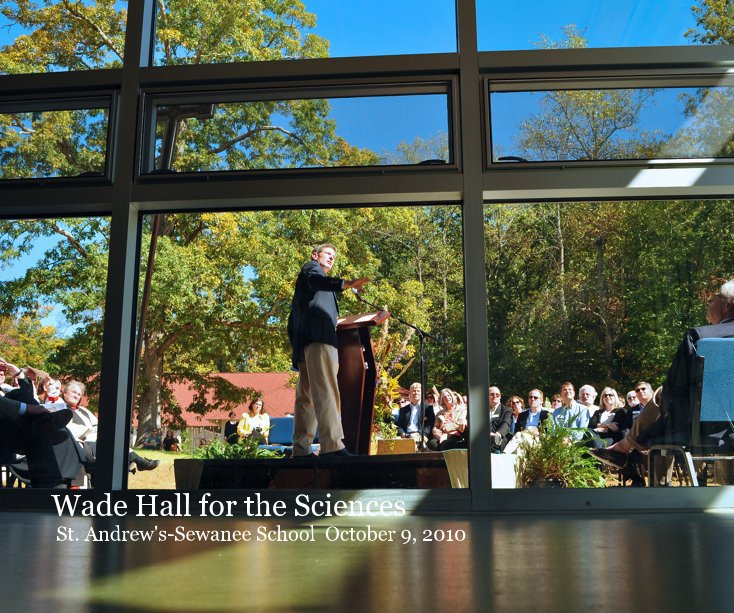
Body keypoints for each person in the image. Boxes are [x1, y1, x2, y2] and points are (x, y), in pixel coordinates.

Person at [591, 279, 734, 470]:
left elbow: (675, 389)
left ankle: (625, 448)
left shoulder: (701, 337)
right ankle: (624, 447)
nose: (709, 303)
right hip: (726, 432)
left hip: (700, 429)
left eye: (714, 298)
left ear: (729, 303)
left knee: (661, 396)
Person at [287, 243, 369, 457]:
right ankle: (332, 445)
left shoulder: (310, 287)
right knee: (326, 389)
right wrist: (346, 283)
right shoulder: (311, 269)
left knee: (307, 398)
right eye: (328, 254)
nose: (332, 258)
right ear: (315, 255)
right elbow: (318, 281)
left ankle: (301, 450)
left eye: (334, 256)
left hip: (306, 343)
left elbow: (293, 318)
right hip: (319, 341)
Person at [0, 358, 78, 488]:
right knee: (18, 395)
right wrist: (32, 409)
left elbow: (28, 395)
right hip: (5, 436)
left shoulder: (5, 388)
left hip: (20, 433)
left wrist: (18, 373)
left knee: (51, 432)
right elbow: (16, 402)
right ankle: (43, 420)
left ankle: (50, 487)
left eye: (3, 371)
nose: (1, 373)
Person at [62, 380, 159, 473]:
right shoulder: (61, 409)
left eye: (79, 394)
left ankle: (135, 461)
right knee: (111, 443)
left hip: (95, 440)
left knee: (114, 439)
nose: (76, 396)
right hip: (81, 444)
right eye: (74, 392)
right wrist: (91, 430)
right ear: (65, 392)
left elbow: (97, 424)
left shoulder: (83, 410)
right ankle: (138, 461)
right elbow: (69, 430)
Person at [503, 389, 550, 454]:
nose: (532, 399)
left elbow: (548, 433)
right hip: (523, 438)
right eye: (530, 397)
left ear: (541, 401)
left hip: (538, 441)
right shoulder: (522, 415)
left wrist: (537, 433)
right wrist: (528, 431)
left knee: (519, 437)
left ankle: (505, 454)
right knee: (520, 442)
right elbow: (517, 432)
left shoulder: (546, 415)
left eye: (535, 397)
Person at [489, 386, 513, 451]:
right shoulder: (481, 410)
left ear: (500, 396)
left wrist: (498, 434)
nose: (495, 396)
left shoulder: (506, 410)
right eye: (492, 394)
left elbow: (506, 423)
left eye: (497, 394)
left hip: (498, 440)